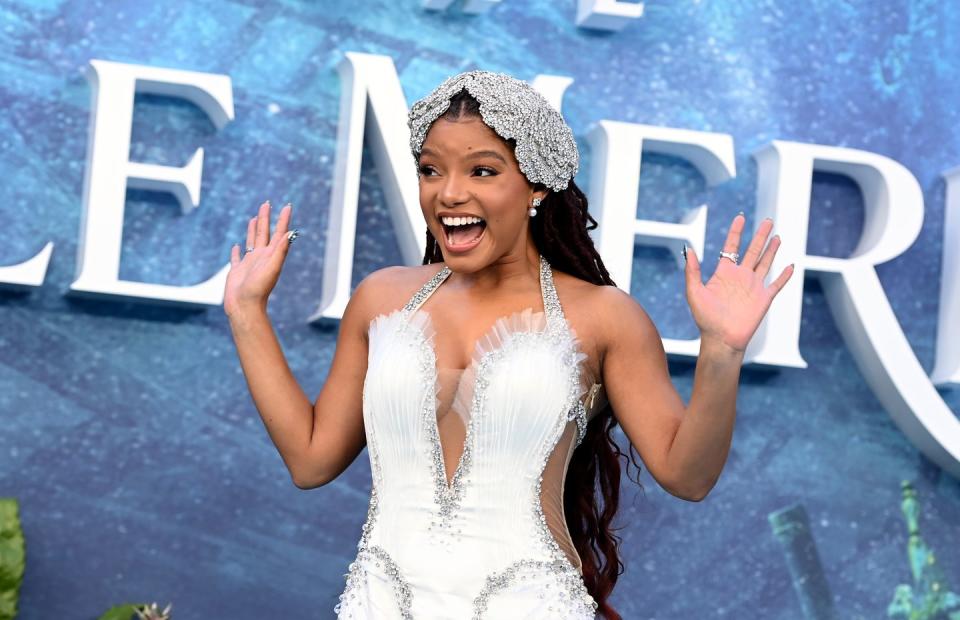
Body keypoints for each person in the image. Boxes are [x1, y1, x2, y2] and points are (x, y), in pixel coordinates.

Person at [223, 70, 793, 619]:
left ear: (537, 185)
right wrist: (247, 312)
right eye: (430, 170)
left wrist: (722, 350)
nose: (449, 193)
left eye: (483, 171)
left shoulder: (605, 317)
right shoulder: (381, 298)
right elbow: (310, 459)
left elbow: (687, 477)